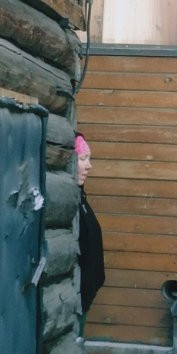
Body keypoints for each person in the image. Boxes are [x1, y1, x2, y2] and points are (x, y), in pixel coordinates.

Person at [75, 133, 105, 318]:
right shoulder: (65, 204)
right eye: (82, 158)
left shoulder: (80, 199)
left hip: (82, 299)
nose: (89, 165)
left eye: (88, 159)